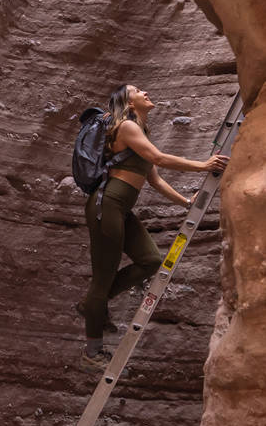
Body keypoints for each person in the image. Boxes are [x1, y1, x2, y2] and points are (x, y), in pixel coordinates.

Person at [78, 83, 228, 363]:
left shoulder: (142, 131)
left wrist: (185, 202)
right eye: (138, 91)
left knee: (151, 260)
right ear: (129, 102)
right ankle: (92, 352)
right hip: (106, 205)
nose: (145, 93)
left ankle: (92, 306)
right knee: (103, 278)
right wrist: (204, 165)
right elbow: (158, 158)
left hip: (120, 208)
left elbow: (155, 179)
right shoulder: (126, 127)